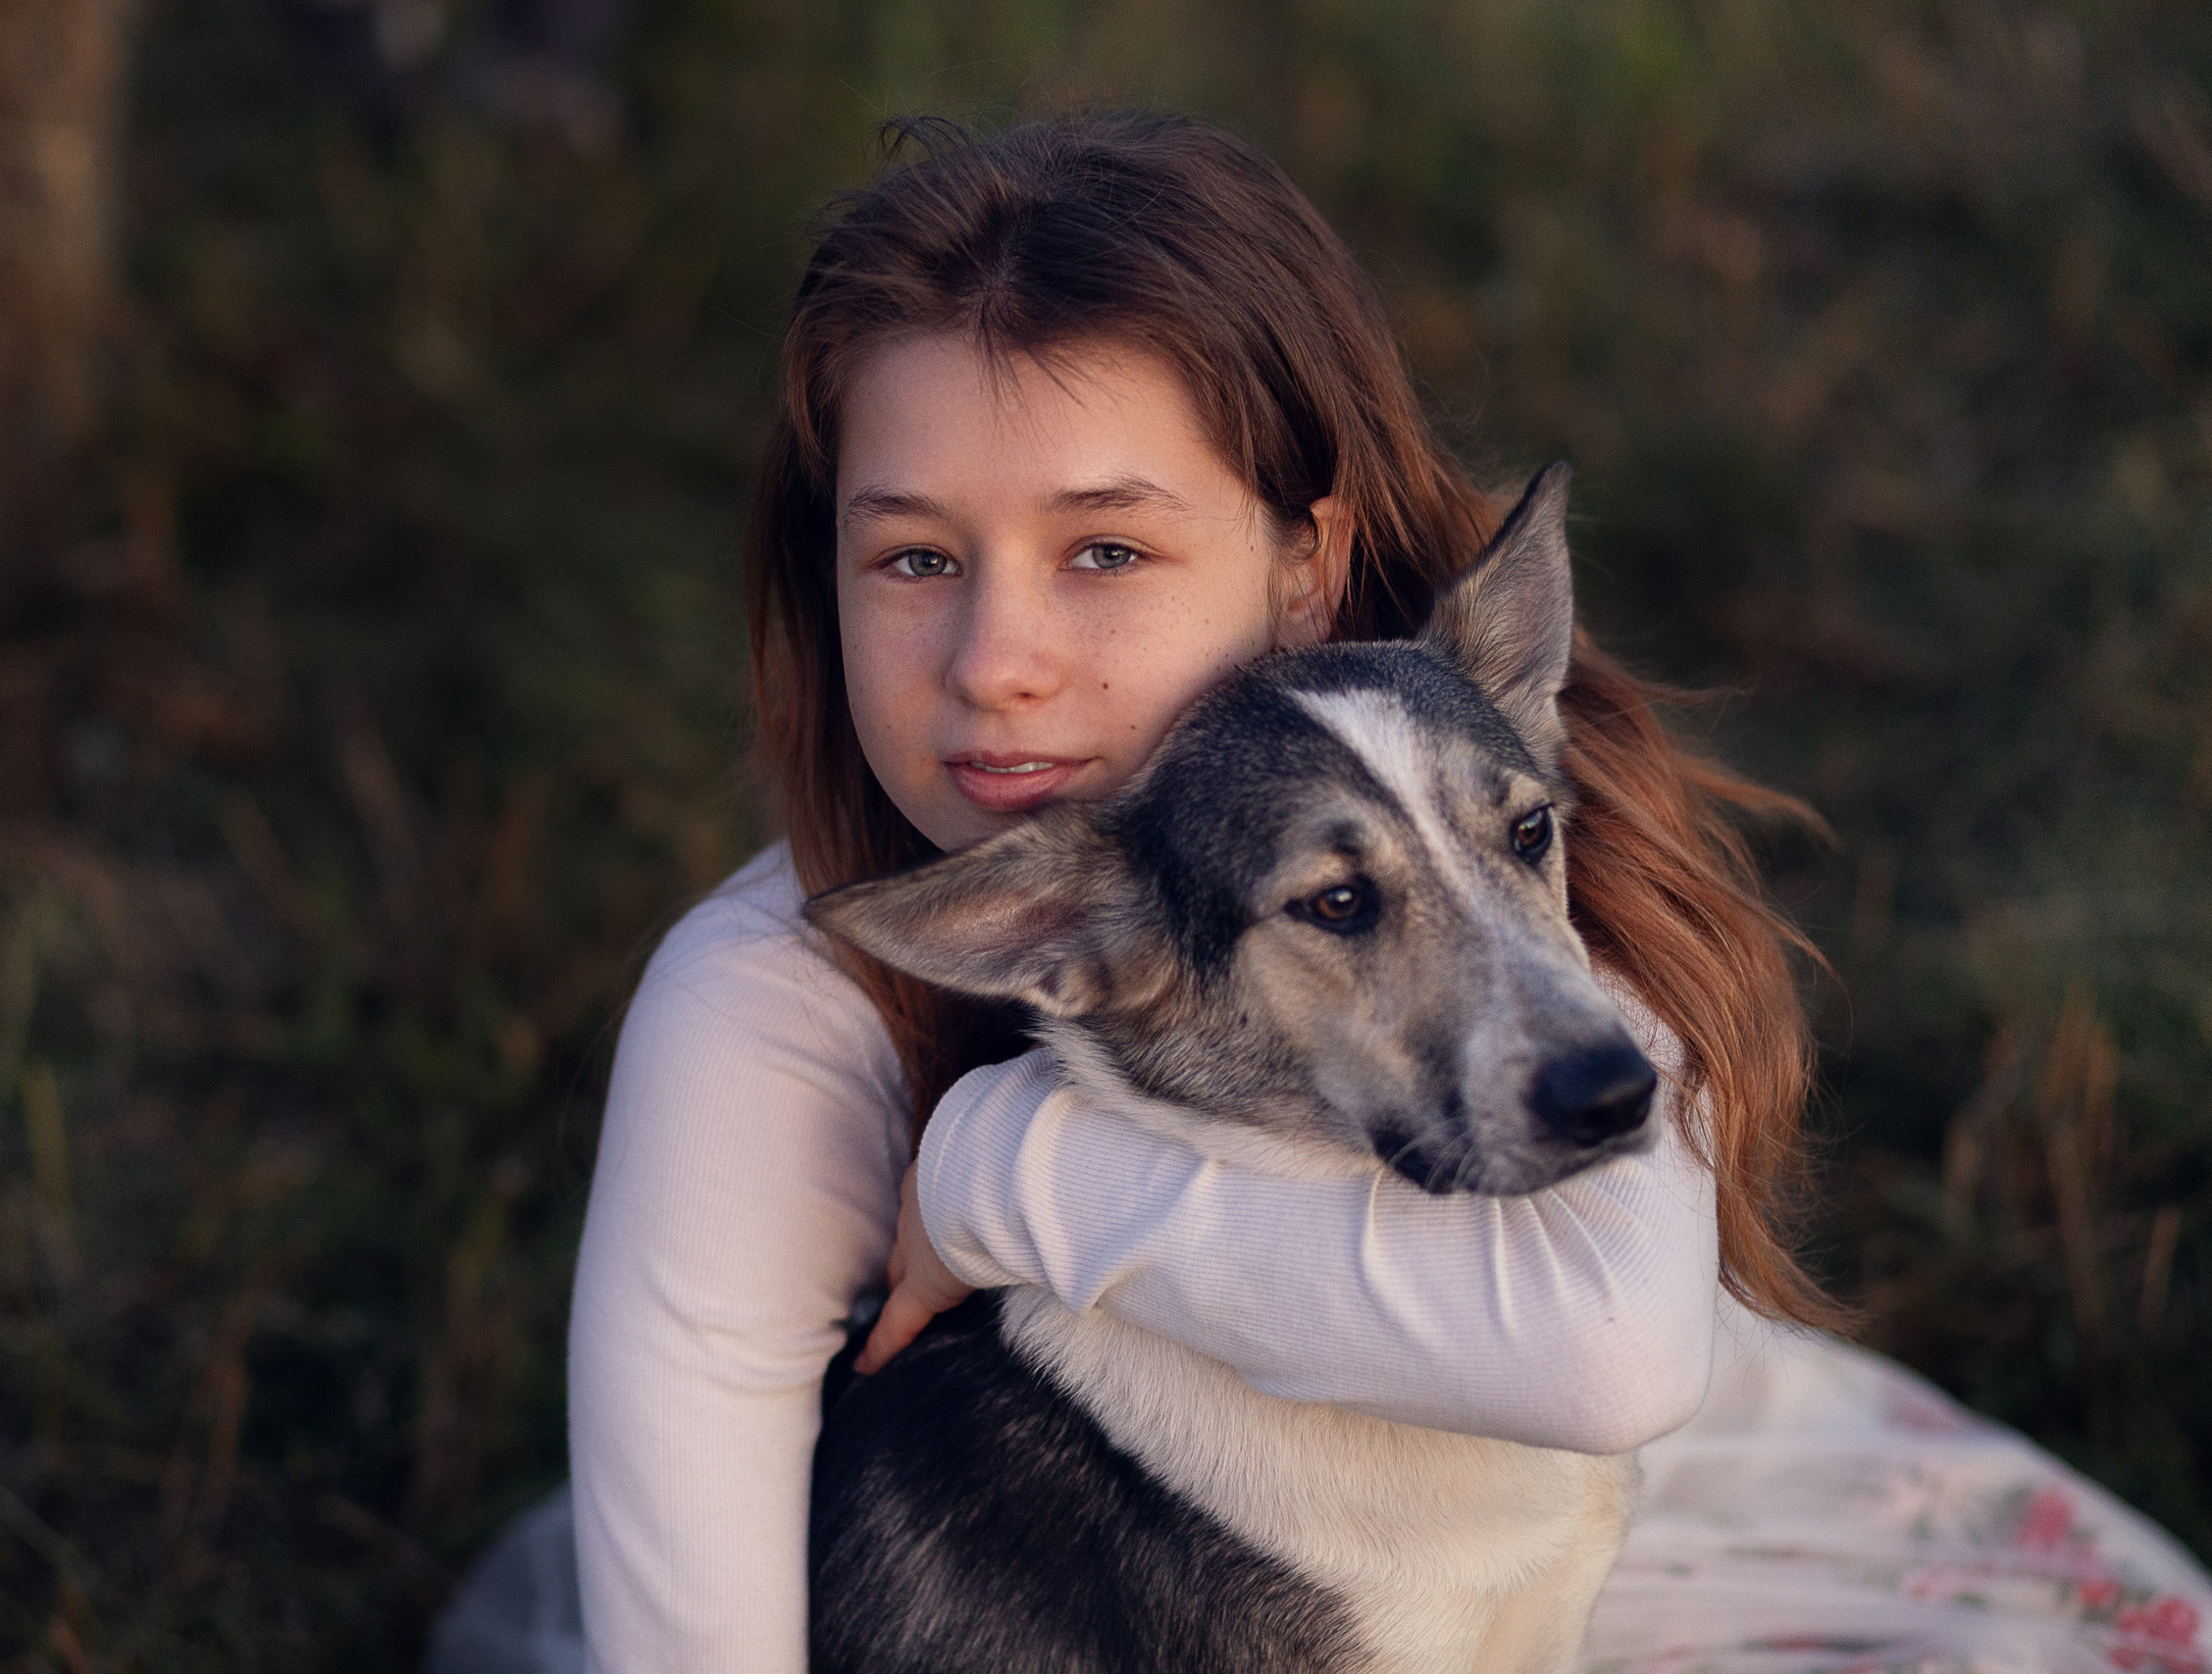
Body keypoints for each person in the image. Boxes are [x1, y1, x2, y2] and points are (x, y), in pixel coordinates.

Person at [430, 113, 2211, 1674]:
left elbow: (1613, 1348)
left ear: (1310, 568)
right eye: (915, 557)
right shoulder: (759, 1013)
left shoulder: (1471, 799)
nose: (1000, 662)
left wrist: (997, 1172)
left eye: (1106, 548)